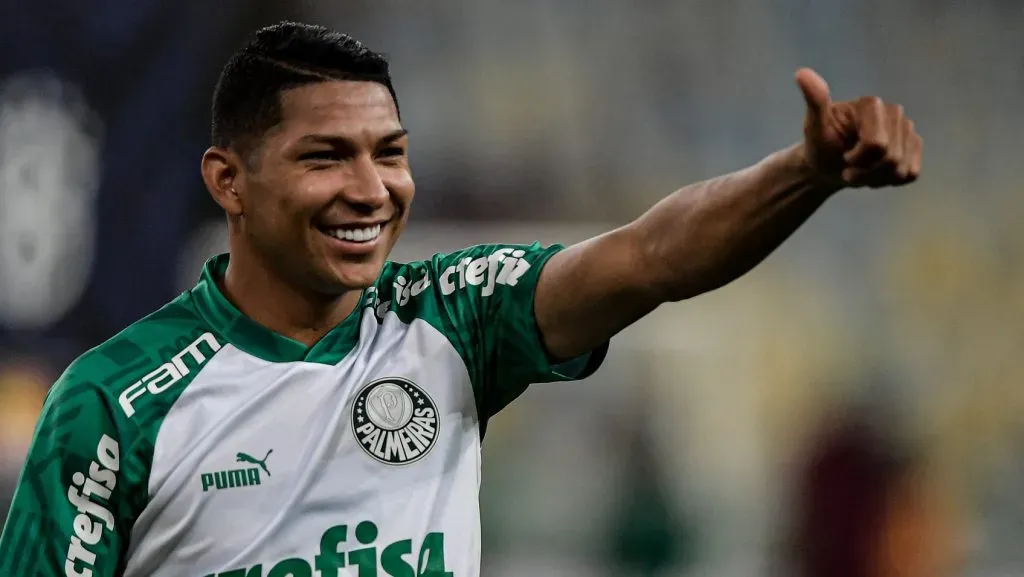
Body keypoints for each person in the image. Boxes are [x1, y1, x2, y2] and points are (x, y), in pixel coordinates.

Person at [0, 21, 922, 577]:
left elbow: (650, 257)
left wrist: (804, 175)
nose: (372, 189)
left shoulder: (446, 318)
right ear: (228, 181)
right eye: (327, 156)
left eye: (390, 153)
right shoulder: (114, 400)